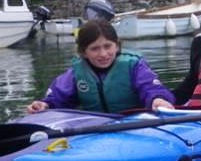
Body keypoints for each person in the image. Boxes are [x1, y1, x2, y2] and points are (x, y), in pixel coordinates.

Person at [27, 19, 174, 114]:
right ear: (84, 52)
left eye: (107, 46)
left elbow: (151, 88)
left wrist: (157, 99)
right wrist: (44, 105)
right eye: (95, 48)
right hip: (96, 129)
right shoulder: (76, 73)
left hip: (136, 126)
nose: (103, 54)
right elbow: (57, 99)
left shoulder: (134, 66)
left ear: (117, 46)